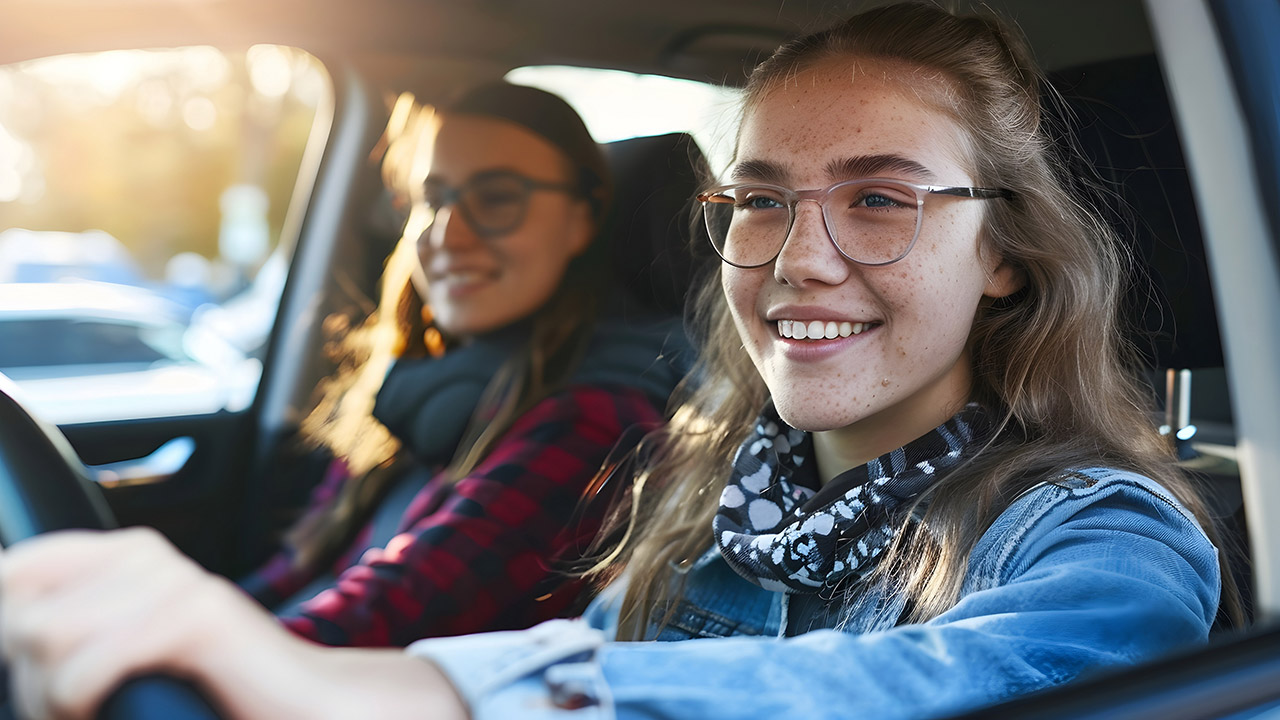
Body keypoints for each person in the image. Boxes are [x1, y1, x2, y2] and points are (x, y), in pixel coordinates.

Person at [0, 4, 1235, 719]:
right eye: (759, 200)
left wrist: (426, 697)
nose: (797, 258)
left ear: (1004, 250)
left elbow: (951, 685)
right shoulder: (713, 497)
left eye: (878, 202)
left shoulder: (1101, 531)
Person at [235, 80, 690, 647]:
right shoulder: (425, 388)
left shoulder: (600, 421)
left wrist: (204, 648)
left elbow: (397, 610)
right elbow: (293, 571)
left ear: (584, 217)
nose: (448, 235)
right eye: (434, 200)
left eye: (497, 198)